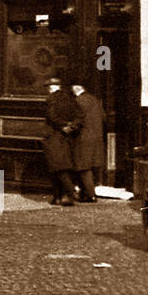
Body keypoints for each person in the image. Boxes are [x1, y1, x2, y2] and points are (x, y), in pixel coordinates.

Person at [43, 77, 82, 207]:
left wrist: (62, 126)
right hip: (68, 137)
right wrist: (71, 127)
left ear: (51, 88)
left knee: (57, 167)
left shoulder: (51, 99)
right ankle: (58, 196)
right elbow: (80, 116)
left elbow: (52, 116)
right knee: (63, 165)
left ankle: (69, 193)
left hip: (54, 136)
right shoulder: (71, 98)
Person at [70, 81, 105, 202]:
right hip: (96, 137)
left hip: (83, 137)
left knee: (83, 167)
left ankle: (90, 195)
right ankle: (86, 193)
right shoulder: (94, 99)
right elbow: (103, 117)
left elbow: (78, 120)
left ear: (77, 87)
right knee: (90, 165)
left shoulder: (79, 100)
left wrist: (68, 129)